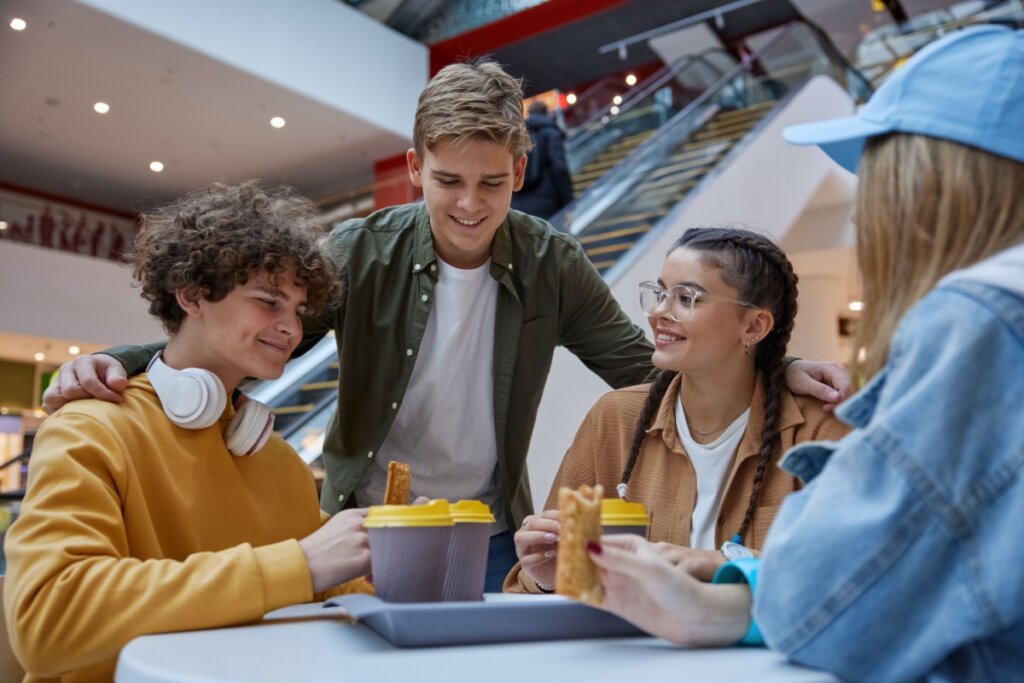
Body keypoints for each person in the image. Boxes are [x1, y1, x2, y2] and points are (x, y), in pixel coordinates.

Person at [41, 60, 850, 592]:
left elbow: (646, 363)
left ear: (521, 172)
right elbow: (251, 334)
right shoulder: (361, 250)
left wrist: (766, 365)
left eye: (492, 183)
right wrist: (122, 360)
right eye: (448, 180)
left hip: (487, 527)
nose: (470, 205)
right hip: (367, 525)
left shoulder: (551, 261)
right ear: (416, 165)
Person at [582, 25, 1024, 681]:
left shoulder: (980, 317)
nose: (862, 217)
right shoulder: (617, 418)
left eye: (875, 171)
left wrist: (728, 595)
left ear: (928, 182)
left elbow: (843, 589)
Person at [3, 182, 373, 683]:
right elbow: (50, 618)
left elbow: (341, 594)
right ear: (192, 294)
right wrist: (299, 564)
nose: (289, 328)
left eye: (298, 311)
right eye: (269, 301)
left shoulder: (279, 461)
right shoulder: (89, 429)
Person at [505, 228, 849, 593]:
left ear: (754, 326)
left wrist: (729, 562)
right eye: (660, 294)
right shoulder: (615, 419)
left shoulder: (819, 431)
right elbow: (538, 582)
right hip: (639, 649)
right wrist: (549, 577)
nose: (657, 313)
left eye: (687, 298)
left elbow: (858, 572)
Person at [510, 100, 574, 219]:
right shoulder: (551, 133)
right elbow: (560, 169)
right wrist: (568, 204)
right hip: (548, 204)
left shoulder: (517, 135)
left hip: (518, 207)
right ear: (547, 113)